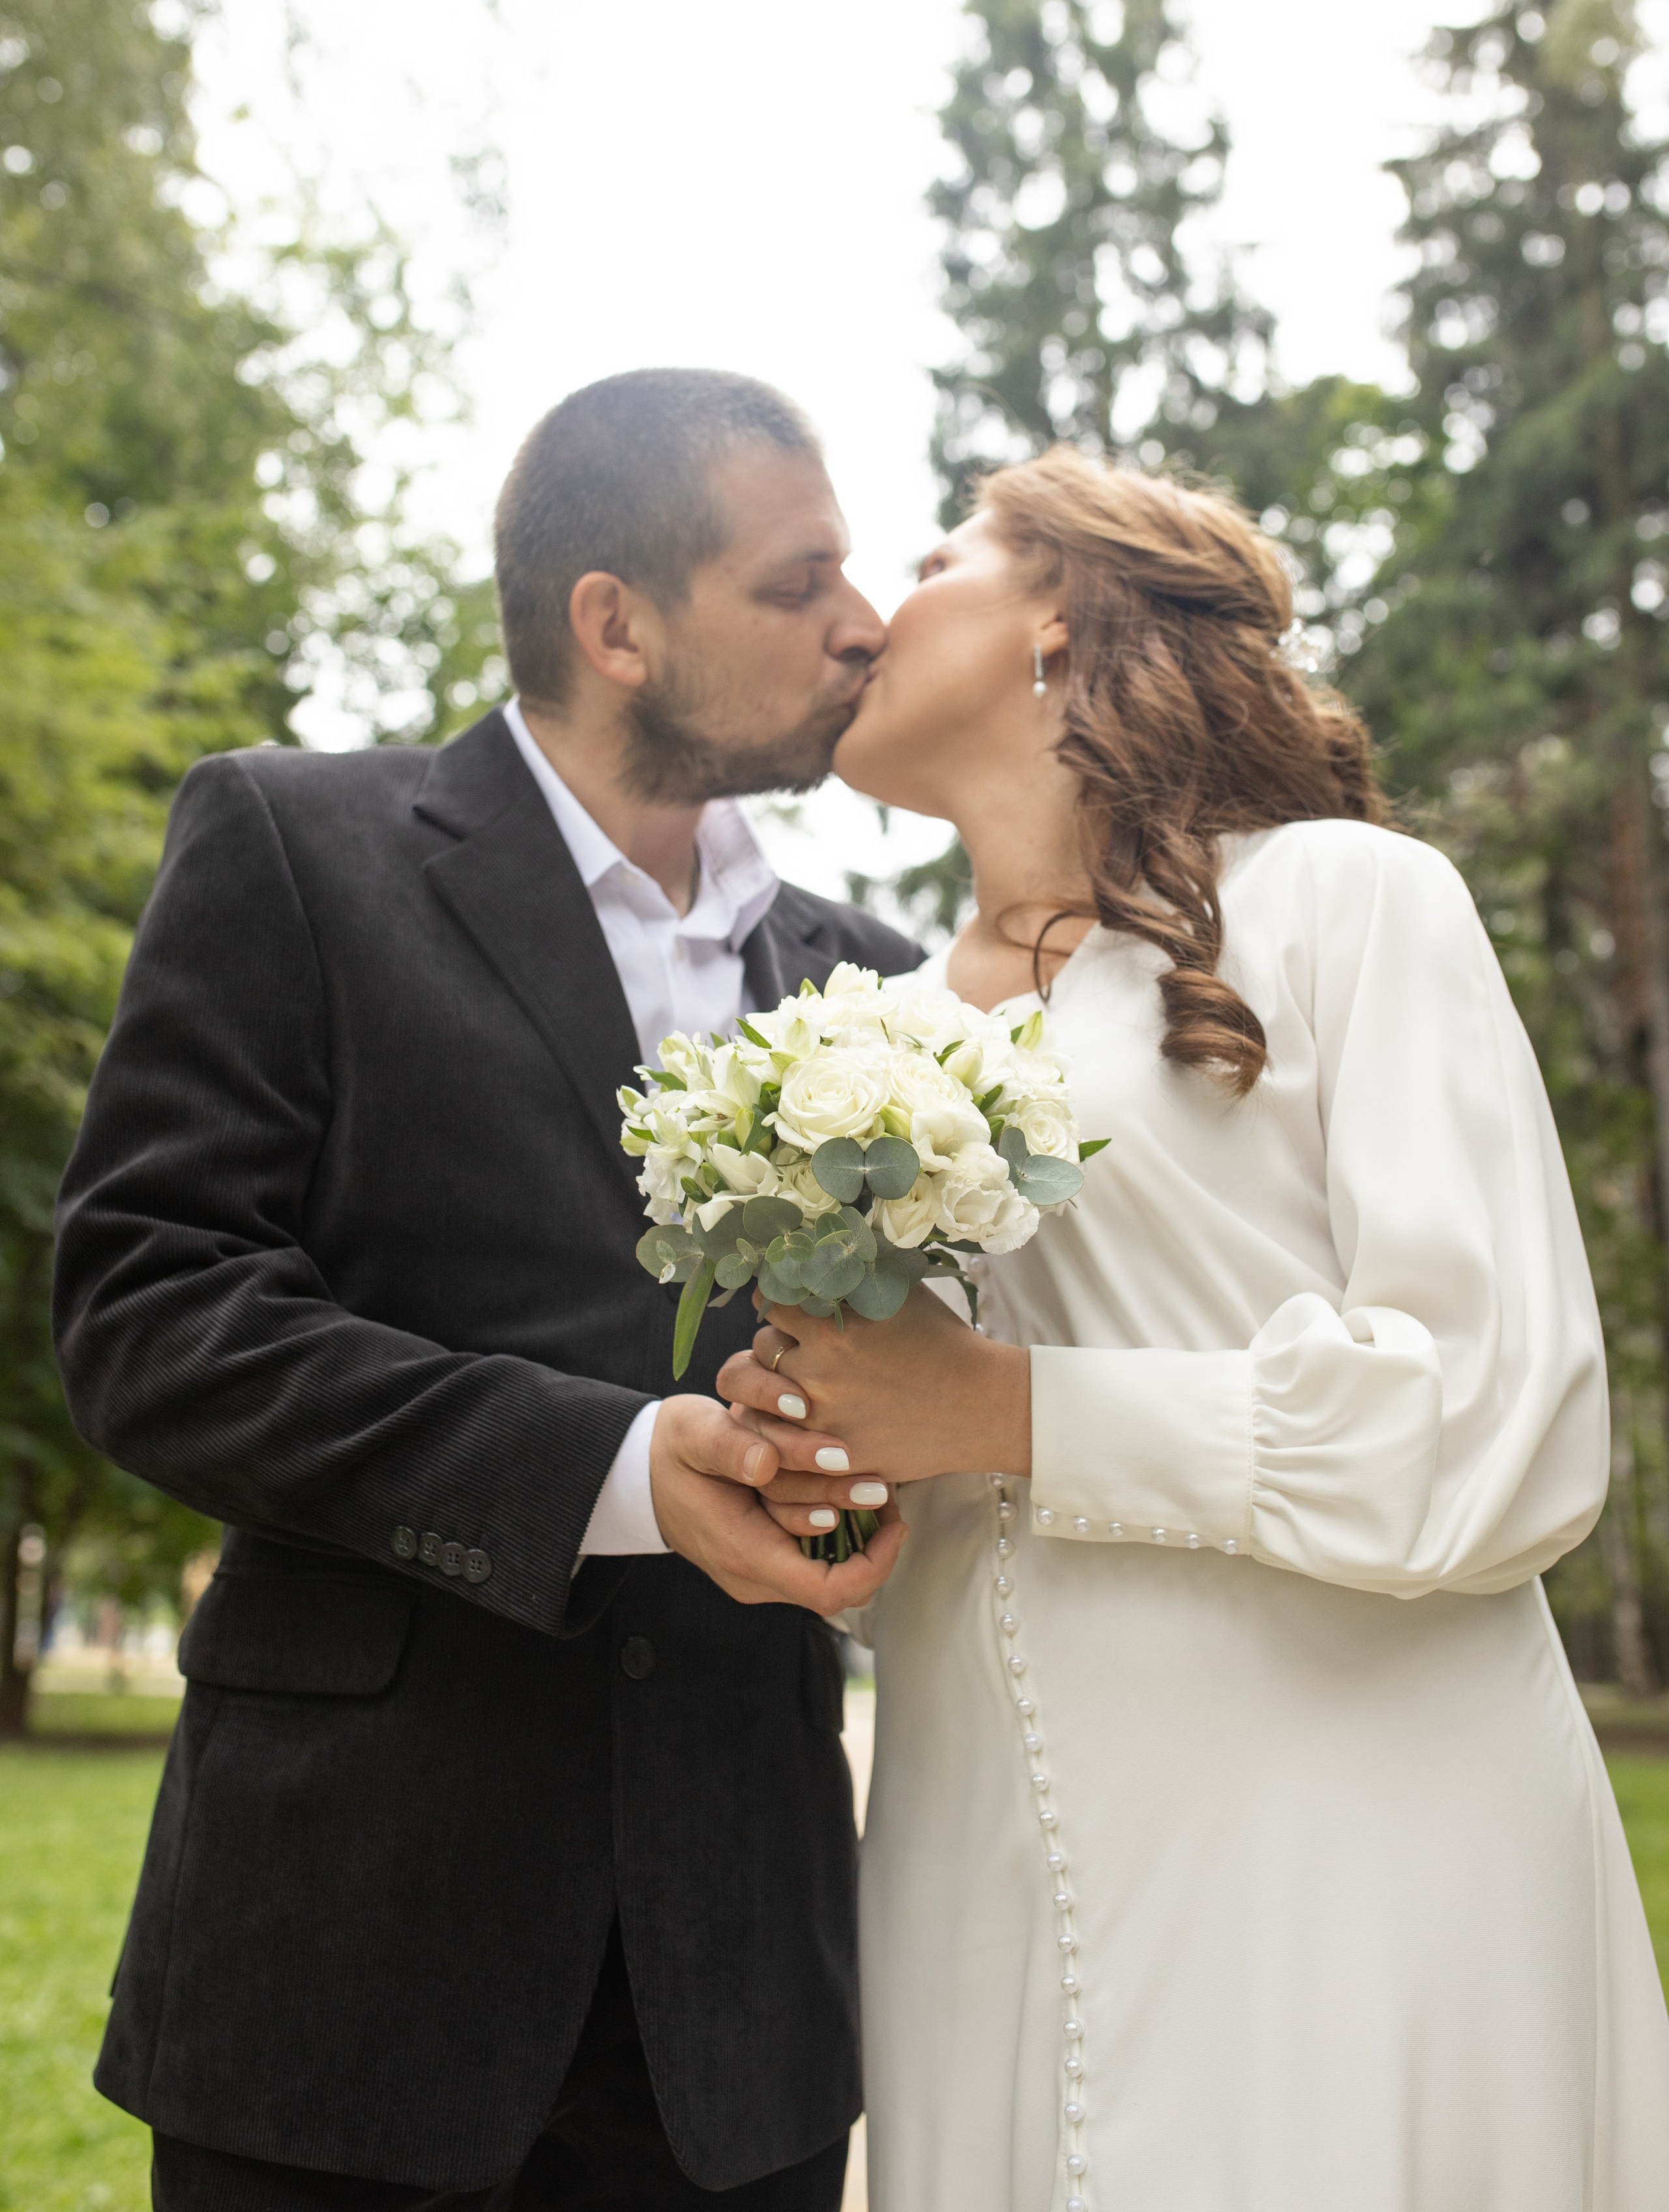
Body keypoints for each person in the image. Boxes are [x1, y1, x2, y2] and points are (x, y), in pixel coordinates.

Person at [720, 446, 1669, 2212]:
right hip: (970, 1869)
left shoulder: (1342, 903)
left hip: (1351, 1845)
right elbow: (921, 1454)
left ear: (1059, 607)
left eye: (930, 558)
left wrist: (1003, 1407)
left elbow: (1497, 1425)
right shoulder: (870, 1024)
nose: (861, 619)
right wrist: (819, 1442)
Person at [52, 368, 915, 2212]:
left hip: (742, 2012)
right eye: (799, 581)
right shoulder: (295, 849)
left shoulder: (885, 989)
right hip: (348, 1970)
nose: (867, 627)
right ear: (614, 622)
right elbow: (149, 1315)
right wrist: (609, 1469)